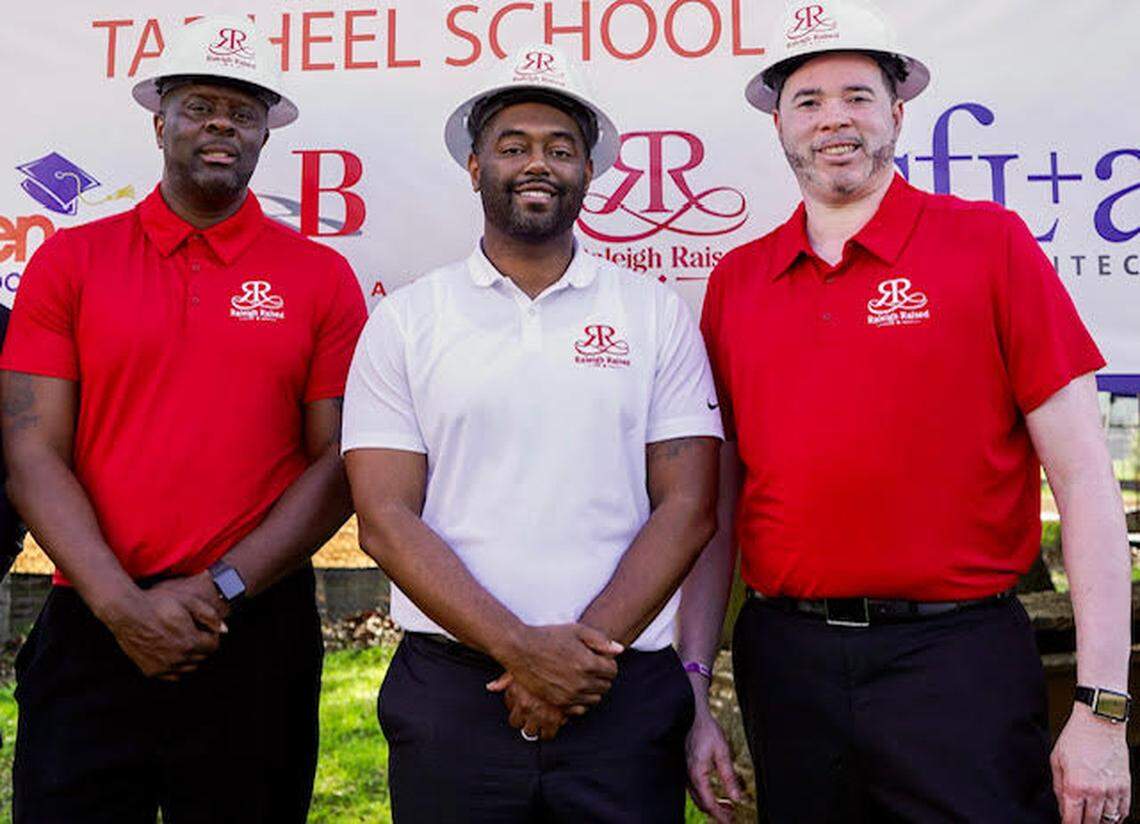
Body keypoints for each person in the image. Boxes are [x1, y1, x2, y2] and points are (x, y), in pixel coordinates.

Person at [679, 2, 1132, 822]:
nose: (833, 120)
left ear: (897, 110)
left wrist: (1102, 709)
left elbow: (1086, 484)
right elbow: (716, 504)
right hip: (788, 664)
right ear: (778, 121)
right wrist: (691, 686)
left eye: (856, 95)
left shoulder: (990, 245)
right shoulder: (736, 282)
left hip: (956, 664)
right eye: (809, 101)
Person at [342, 44, 723, 823]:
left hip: (618, 691)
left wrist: (573, 660)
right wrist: (520, 649)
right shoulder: (408, 321)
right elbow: (384, 520)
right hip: (454, 693)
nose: (537, 164)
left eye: (560, 148)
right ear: (476, 167)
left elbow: (688, 507)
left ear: (589, 170)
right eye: (513, 146)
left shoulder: (654, 314)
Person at [0, 16, 366, 823]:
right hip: (91, 619)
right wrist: (121, 607)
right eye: (201, 105)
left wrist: (221, 587)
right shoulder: (70, 260)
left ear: (268, 132)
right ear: (158, 119)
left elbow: (336, 462)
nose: (222, 125)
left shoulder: (320, 276)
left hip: (252, 629)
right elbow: (31, 454)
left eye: (244, 110)